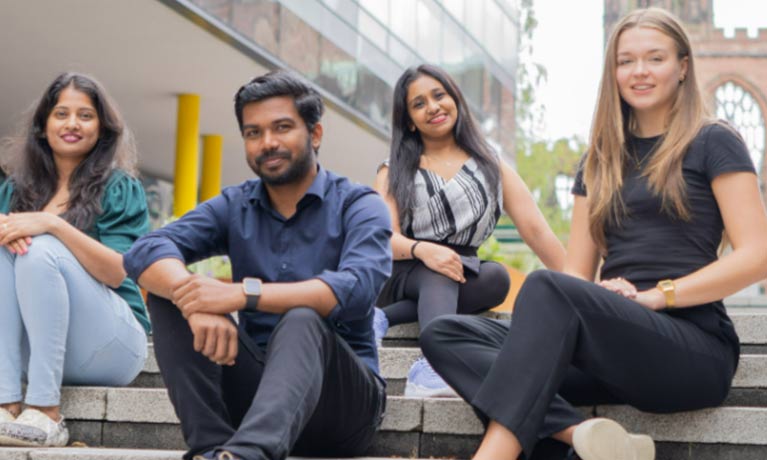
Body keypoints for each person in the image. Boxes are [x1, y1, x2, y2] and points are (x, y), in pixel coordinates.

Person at [420, 7, 767, 460]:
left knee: (543, 295)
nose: (639, 71)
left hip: (691, 348)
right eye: (626, 61)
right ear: (613, 71)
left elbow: (757, 254)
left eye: (655, 59)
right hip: (611, 346)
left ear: (683, 66)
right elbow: (578, 277)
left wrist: (659, 296)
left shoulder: (713, 140)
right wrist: (604, 298)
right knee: (445, 335)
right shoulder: (598, 159)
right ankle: (586, 436)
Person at [122, 70, 391, 460]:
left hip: (342, 407)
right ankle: (212, 450)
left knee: (301, 318)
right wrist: (195, 303)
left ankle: (246, 456)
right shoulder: (235, 204)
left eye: (282, 128)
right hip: (256, 396)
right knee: (170, 295)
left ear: (315, 135)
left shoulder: (359, 204)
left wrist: (240, 295)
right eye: (253, 132)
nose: (268, 143)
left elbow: (358, 289)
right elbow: (146, 249)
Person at [373, 64, 566, 397]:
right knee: (441, 268)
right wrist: (424, 250)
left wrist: (581, 284)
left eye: (439, 95)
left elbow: (535, 229)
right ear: (409, 120)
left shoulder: (490, 164)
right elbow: (381, 238)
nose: (432, 107)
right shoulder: (393, 170)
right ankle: (431, 367)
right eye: (419, 104)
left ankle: (380, 319)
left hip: (463, 268)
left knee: (497, 278)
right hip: (403, 269)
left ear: (455, 100)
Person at [0, 73, 150, 447]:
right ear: (43, 125)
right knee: (7, 244)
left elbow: (119, 271)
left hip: (110, 344)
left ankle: (47, 412)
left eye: (85, 115)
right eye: (61, 113)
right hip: (37, 350)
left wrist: (52, 224)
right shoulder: (14, 190)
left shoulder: (120, 187)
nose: (71, 124)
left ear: (102, 128)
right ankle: (6, 403)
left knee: (36, 247)